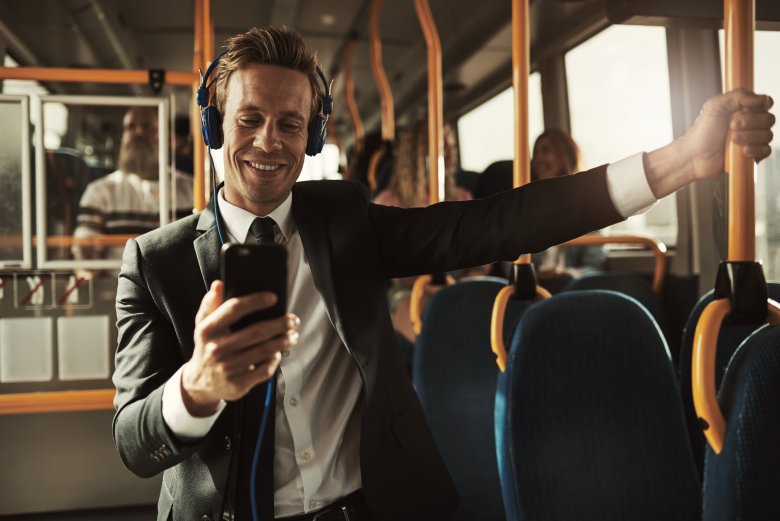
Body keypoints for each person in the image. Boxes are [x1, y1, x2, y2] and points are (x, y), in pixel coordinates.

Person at [110, 25, 775, 521]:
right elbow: (133, 443)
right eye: (248, 119)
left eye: (290, 123)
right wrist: (196, 388)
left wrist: (682, 162)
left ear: (312, 137)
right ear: (213, 126)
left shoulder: (346, 220)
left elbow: (497, 224)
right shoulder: (155, 262)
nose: (268, 141)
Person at [73, 106, 193, 260]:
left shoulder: (191, 188)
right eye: (131, 127)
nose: (139, 133)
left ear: (166, 137)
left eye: (146, 127)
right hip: (117, 283)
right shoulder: (100, 192)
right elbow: (86, 263)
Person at [530, 130, 608, 292]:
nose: (539, 159)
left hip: (572, 287)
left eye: (546, 151)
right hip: (533, 287)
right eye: (536, 153)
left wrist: (567, 274)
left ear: (565, 156)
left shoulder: (589, 205)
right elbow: (510, 258)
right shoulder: (527, 204)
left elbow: (594, 265)